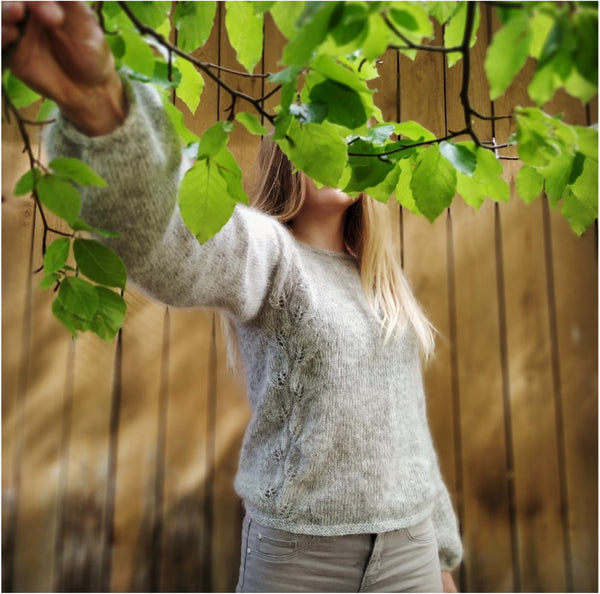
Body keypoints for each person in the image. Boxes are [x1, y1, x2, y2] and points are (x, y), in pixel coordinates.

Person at [3, 2, 462, 592]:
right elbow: (169, 247)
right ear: (286, 149)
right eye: (319, 121)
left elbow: (410, 431)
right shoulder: (272, 257)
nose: (340, 141)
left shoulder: (382, 282)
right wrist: (100, 109)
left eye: (350, 126)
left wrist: (443, 559)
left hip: (412, 552)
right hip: (303, 560)